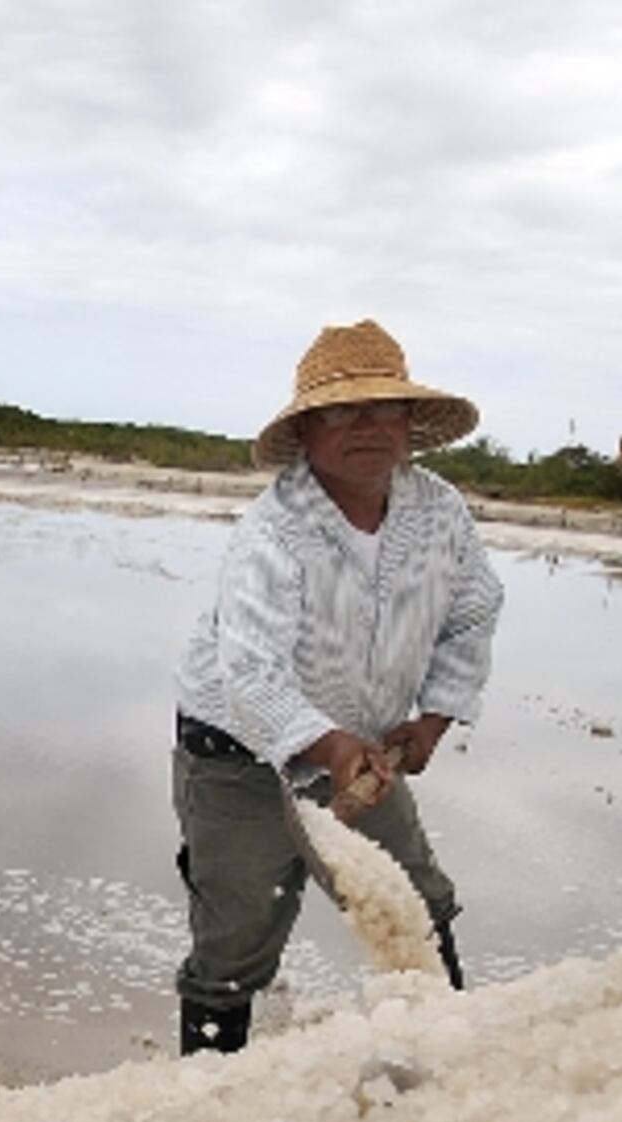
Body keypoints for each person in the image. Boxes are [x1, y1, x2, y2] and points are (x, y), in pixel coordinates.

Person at [168, 318, 504, 1055]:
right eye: (342, 412)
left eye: (384, 408)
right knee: (236, 941)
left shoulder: (438, 510)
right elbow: (250, 673)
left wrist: (435, 719)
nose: (366, 427)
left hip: (363, 751)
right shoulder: (273, 532)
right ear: (309, 431)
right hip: (239, 754)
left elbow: (476, 609)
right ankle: (205, 1096)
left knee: (418, 904)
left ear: (410, 423)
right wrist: (329, 746)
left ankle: (448, 1063)